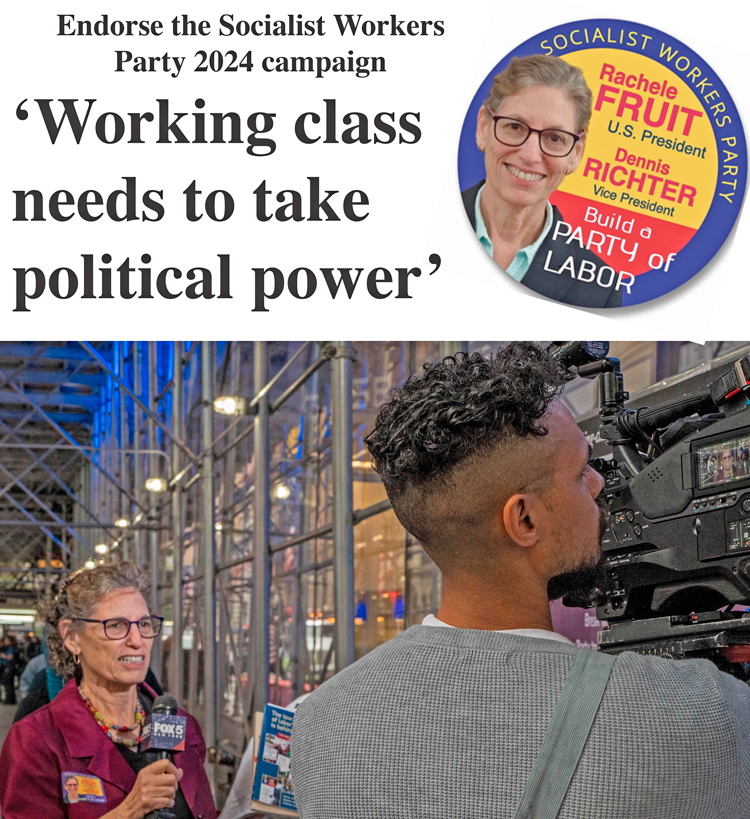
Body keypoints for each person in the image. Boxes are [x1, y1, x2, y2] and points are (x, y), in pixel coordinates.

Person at [292, 344, 750, 819]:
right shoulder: (703, 713)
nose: (599, 485)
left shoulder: (319, 722)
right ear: (524, 520)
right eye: (580, 472)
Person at [0, 562, 217, 819]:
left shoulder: (183, 726)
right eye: (116, 625)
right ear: (72, 637)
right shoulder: (37, 741)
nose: (137, 641)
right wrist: (129, 811)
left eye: (144, 624)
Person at [462, 55, 623, 308]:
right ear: (483, 128)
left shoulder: (599, 291)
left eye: (554, 138)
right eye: (515, 127)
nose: (530, 155)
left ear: (576, 153)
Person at [0, 635, 19, 705]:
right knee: (7, 685)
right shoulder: (4, 648)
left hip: (9, 668)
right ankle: (9, 699)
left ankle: (10, 700)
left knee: (9, 685)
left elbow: (10, 657)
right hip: (5, 668)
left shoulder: (11, 648)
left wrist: (3, 655)